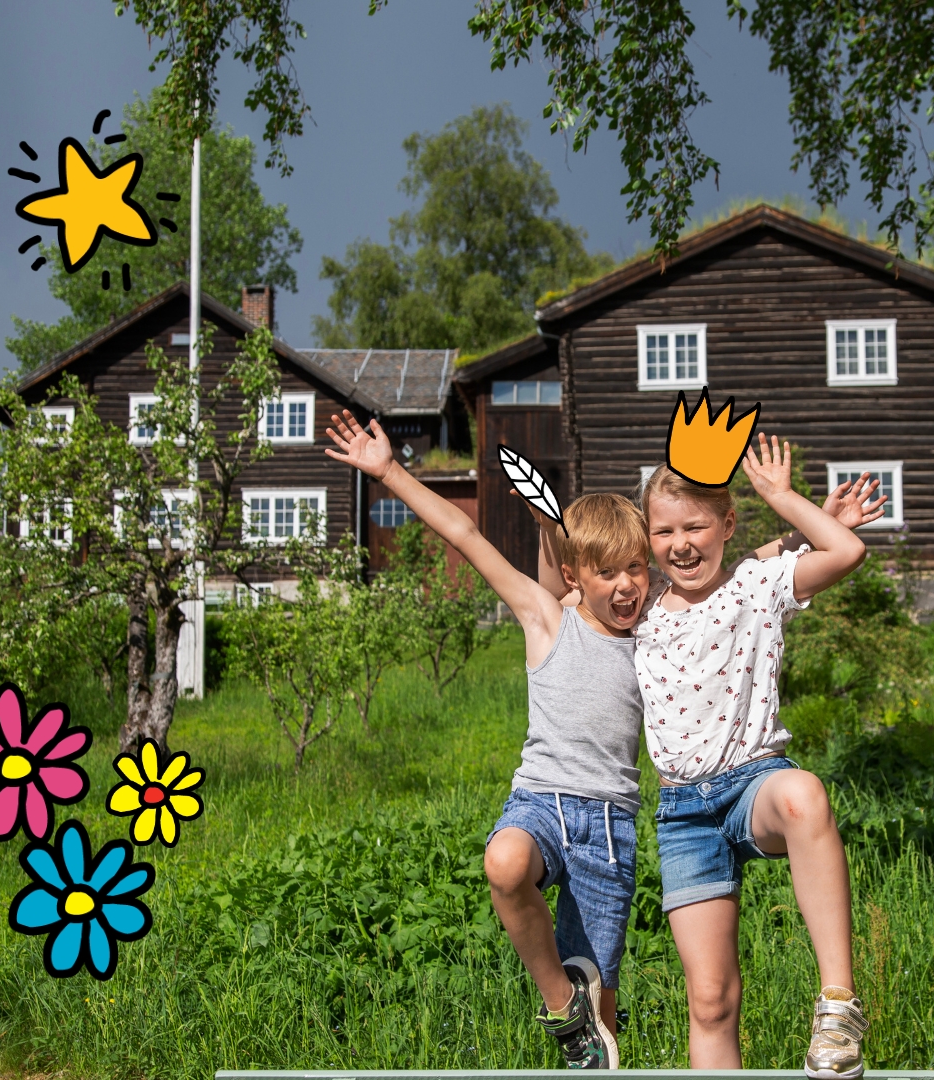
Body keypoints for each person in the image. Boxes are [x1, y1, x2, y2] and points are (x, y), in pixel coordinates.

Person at [325, 409, 645, 1069]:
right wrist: (388, 471)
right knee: (503, 864)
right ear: (576, 574)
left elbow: (727, 588)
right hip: (542, 804)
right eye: (608, 572)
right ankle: (561, 1006)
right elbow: (464, 532)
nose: (626, 586)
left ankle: (588, 1028)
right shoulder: (545, 620)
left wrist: (801, 540)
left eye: (637, 569)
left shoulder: (656, 639)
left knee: (606, 1025)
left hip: (610, 827)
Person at [635, 435, 879, 1078]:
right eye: (663, 531)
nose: (680, 543)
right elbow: (562, 592)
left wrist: (783, 497)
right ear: (647, 536)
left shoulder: (756, 586)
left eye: (696, 525)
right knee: (710, 1001)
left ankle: (837, 1005)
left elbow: (846, 551)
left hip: (752, 784)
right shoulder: (641, 614)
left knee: (805, 796)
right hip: (683, 815)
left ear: (727, 524)